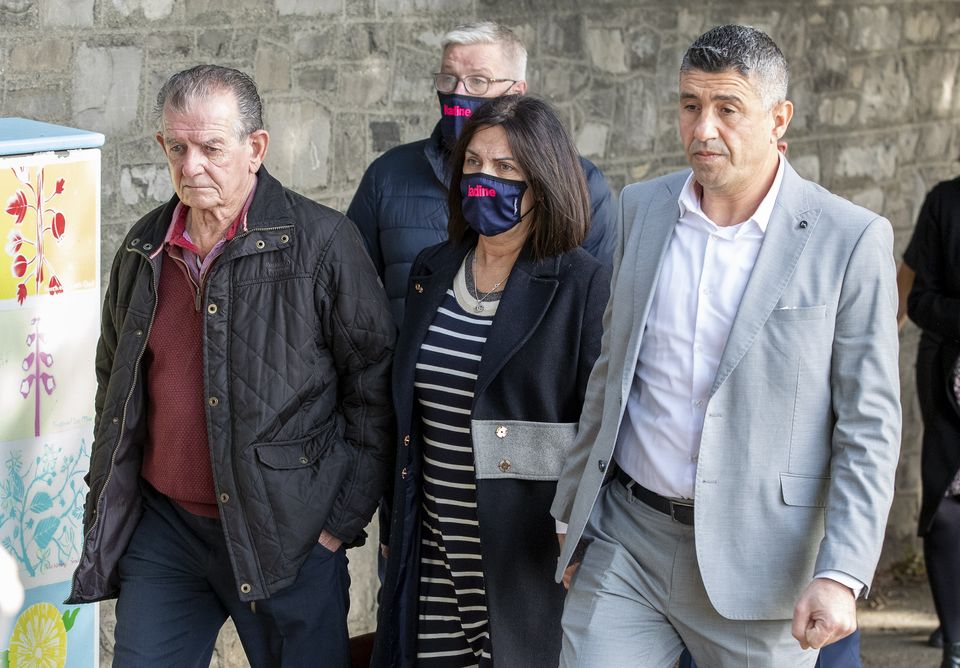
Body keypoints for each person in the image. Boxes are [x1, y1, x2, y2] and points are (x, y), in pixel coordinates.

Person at [552, 24, 901, 667]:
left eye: (727, 109)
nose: (703, 129)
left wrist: (843, 570)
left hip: (763, 567)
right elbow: (613, 370)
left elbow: (869, 425)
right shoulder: (641, 208)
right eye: (690, 105)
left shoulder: (850, 239)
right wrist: (573, 512)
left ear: (778, 118)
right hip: (626, 542)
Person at [66, 65, 395, 668]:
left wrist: (337, 526)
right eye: (177, 146)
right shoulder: (145, 246)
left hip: (288, 537)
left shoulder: (322, 244)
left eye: (211, 147)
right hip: (167, 533)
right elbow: (115, 382)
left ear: (255, 149)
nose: (190, 166)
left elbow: (375, 392)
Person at [372, 95, 610, 667]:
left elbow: (601, 429)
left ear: (544, 181)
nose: (485, 179)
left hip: (523, 562)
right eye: (474, 164)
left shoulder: (583, 285)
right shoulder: (432, 270)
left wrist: (581, 541)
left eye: (506, 169)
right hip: (431, 548)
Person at [347, 21, 616, 325]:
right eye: (449, 79)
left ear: (517, 91)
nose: (459, 93)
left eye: (478, 81)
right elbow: (349, 295)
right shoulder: (387, 176)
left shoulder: (579, 184)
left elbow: (601, 311)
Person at [906, 174, 960, 668]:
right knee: (945, 504)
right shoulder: (946, 201)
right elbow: (917, 298)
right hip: (949, 379)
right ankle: (956, 641)